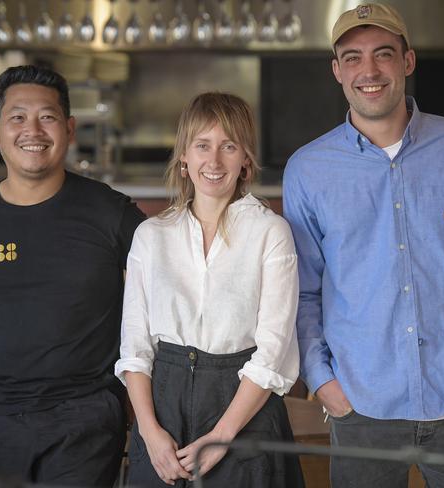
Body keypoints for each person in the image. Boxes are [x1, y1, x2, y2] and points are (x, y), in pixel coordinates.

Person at [283, 3, 444, 487]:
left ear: (408, 61)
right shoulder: (308, 171)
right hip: (361, 406)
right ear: (337, 71)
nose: (368, 71)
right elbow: (302, 291)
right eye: (352, 58)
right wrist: (324, 382)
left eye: (383, 54)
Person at [0, 65, 146, 486]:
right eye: (18, 117)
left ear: (69, 129)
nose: (32, 129)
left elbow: (159, 304)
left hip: (85, 417)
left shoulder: (112, 213)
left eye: (47, 117)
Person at [115, 92, 305, 487]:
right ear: (184, 157)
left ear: (245, 160)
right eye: (202, 145)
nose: (214, 161)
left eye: (228, 146)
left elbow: (273, 352)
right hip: (162, 413)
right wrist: (150, 435)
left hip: (244, 410)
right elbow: (135, 349)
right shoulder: (151, 236)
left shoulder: (271, 232)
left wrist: (221, 437)